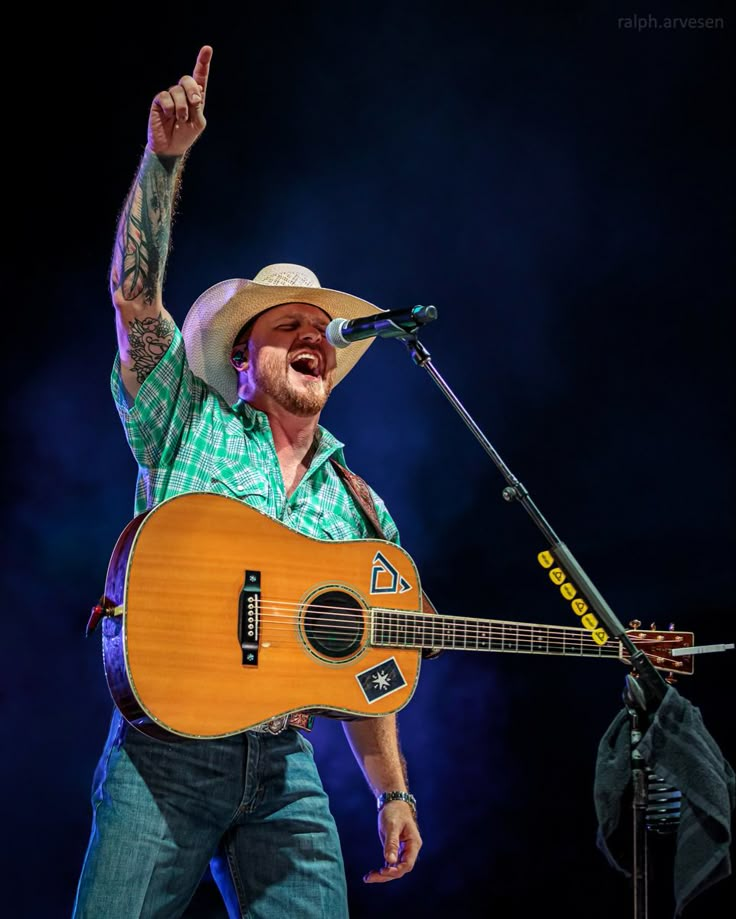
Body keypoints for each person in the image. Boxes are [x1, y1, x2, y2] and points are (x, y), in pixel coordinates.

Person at [73, 44, 422, 919]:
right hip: (164, 755)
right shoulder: (186, 420)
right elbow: (134, 299)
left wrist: (392, 791)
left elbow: (368, 660)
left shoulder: (360, 505)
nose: (315, 335)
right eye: (290, 324)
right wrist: (164, 159)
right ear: (240, 355)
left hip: (284, 771)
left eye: (324, 331)